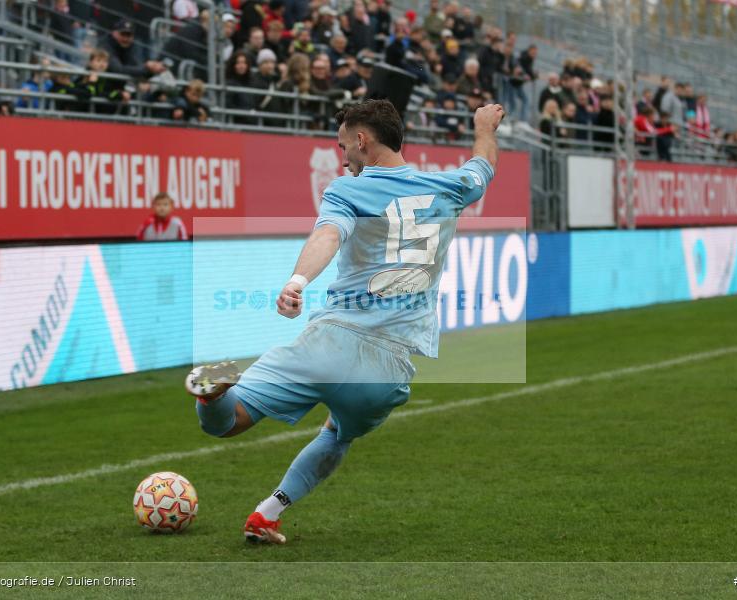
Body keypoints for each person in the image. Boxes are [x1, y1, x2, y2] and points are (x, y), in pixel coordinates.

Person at [184, 99, 504, 544]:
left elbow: (328, 234)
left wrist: (297, 280)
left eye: (344, 147)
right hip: (386, 368)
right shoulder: (449, 187)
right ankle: (267, 514)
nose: (343, 158)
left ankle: (211, 394)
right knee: (338, 432)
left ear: (362, 140)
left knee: (228, 419)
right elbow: (483, 166)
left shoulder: (346, 190)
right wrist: (484, 126)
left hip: (328, 343)